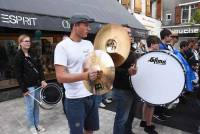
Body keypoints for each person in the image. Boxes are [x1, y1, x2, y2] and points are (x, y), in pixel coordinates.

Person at [54, 15, 99, 134]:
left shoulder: (89, 44)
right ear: (75, 26)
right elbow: (60, 77)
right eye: (86, 25)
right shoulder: (62, 47)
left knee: (90, 130)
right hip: (75, 100)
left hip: (91, 95)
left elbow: (92, 66)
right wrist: (85, 76)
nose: (89, 28)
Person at [14, 34, 47, 134]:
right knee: (30, 107)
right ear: (20, 43)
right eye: (25, 41)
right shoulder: (18, 56)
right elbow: (18, 75)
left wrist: (43, 79)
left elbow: (40, 68)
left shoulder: (33, 53)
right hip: (28, 86)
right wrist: (24, 89)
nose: (28, 43)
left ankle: (37, 124)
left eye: (29, 41)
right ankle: (32, 126)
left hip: (37, 84)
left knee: (36, 106)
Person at [112, 25, 138, 134]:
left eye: (130, 33)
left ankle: (128, 131)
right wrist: (127, 71)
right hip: (122, 89)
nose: (130, 35)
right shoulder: (114, 49)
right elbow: (111, 69)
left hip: (132, 87)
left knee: (130, 115)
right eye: (127, 33)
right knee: (121, 118)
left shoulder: (131, 48)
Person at [140, 35, 160, 134]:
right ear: (152, 44)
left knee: (146, 103)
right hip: (150, 84)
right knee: (151, 105)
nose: (159, 45)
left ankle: (143, 121)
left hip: (146, 84)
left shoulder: (145, 54)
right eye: (157, 43)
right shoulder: (152, 56)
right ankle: (148, 125)